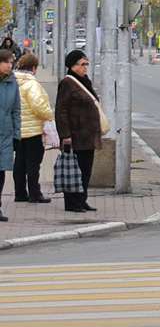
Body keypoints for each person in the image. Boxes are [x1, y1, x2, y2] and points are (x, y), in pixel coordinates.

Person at [54, 50, 101, 214]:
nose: (85, 67)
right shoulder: (68, 83)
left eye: (87, 64)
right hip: (75, 135)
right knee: (74, 169)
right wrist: (65, 135)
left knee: (86, 170)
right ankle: (72, 202)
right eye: (82, 64)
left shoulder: (85, 82)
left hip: (88, 135)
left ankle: (82, 200)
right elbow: (61, 110)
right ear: (72, 66)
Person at [13, 53, 53, 203]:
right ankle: (35, 193)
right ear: (34, 68)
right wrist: (48, 114)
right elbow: (38, 106)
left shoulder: (12, 81)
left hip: (17, 129)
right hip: (32, 129)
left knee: (20, 162)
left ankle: (20, 193)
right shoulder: (32, 83)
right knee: (33, 162)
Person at [0, 50, 19, 222]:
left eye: (11, 62)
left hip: (5, 134)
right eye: (6, 62)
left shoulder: (12, 82)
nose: (9, 65)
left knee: (1, 172)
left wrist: (17, 136)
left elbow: (16, 111)